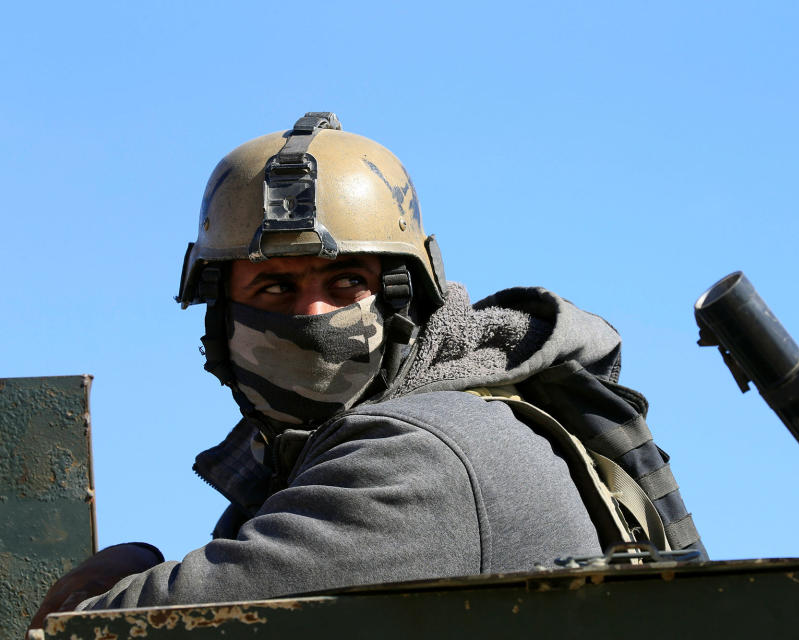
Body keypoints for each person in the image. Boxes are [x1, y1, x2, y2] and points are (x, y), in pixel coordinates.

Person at [31, 112, 703, 621]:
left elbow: (122, 629)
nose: (311, 315)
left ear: (406, 301)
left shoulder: (421, 451)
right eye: (273, 290)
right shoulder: (309, 468)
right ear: (220, 322)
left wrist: (113, 576)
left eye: (346, 281)